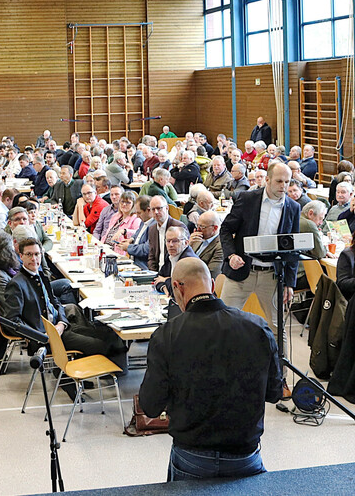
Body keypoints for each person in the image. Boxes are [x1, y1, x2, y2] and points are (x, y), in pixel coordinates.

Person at [140, 259, 281, 481]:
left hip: (191, 454)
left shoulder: (166, 335)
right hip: (244, 454)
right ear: (213, 286)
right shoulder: (257, 327)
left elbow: (150, 406)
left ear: (177, 287)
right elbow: (275, 393)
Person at [4, 238, 127, 367]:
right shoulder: (16, 284)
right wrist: (39, 336)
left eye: (37, 254)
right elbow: (12, 321)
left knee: (107, 332)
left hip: (60, 326)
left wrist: (62, 323)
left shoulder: (40, 275)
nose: (34, 258)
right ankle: (97, 373)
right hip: (47, 337)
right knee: (99, 344)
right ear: (21, 256)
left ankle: (113, 372)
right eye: (29, 254)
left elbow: (55, 303)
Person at [219, 162, 300, 339]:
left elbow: (292, 250)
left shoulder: (293, 208)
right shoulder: (247, 199)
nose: (283, 186)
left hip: (271, 275)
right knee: (223, 322)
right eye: (279, 181)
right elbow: (225, 229)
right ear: (267, 180)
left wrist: (289, 283)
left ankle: (280, 367)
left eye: (287, 182)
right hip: (242, 271)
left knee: (278, 329)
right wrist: (231, 255)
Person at [146, 195, 187, 272]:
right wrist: (153, 273)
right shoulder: (152, 229)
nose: (156, 212)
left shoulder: (178, 227)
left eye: (159, 208)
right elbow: (151, 257)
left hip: (173, 273)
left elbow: (184, 255)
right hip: (156, 273)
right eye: (153, 209)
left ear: (167, 208)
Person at [153, 225, 198, 292]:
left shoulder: (189, 261)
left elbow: (179, 290)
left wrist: (165, 280)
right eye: (168, 241)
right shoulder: (170, 255)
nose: (171, 245)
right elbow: (157, 278)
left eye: (175, 241)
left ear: (186, 243)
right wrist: (164, 287)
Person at [189, 210, 224, 278]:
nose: (198, 229)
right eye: (197, 225)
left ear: (215, 228)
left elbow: (212, 273)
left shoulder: (220, 246)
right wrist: (188, 245)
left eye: (202, 227)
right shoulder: (197, 237)